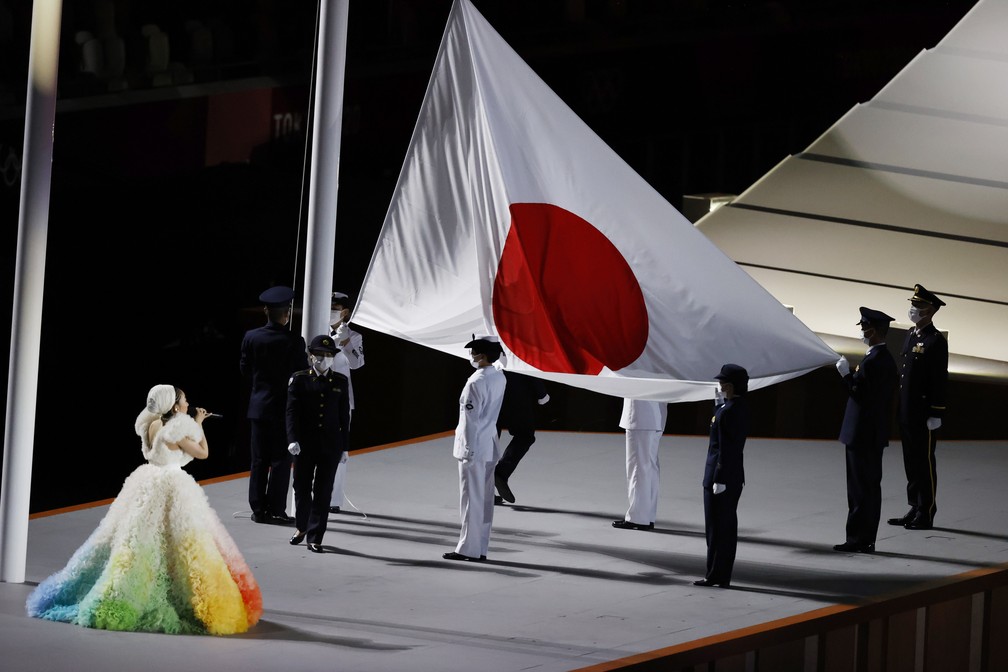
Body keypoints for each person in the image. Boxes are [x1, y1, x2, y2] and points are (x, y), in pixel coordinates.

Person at [26, 384, 262, 635]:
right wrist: (199, 423)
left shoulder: (152, 424)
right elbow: (203, 453)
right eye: (184, 401)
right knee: (179, 542)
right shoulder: (178, 428)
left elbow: (161, 452)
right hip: (171, 485)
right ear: (174, 406)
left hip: (147, 481)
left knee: (138, 538)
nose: (187, 404)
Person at [240, 285, 308, 525]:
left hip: (258, 407)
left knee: (258, 460)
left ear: (266, 311)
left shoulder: (251, 337)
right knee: (281, 460)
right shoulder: (294, 340)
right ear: (286, 313)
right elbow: (301, 374)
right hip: (283, 409)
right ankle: (277, 509)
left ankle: (258, 510)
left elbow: (245, 370)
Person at [834, 307, 898, 553]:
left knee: (861, 490)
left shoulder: (875, 361)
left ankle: (858, 539)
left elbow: (861, 394)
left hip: (863, 435)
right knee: (866, 488)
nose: (861, 331)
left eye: (863, 327)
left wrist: (845, 375)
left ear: (872, 330)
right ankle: (864, 537)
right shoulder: (880, 358)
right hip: (868, 434)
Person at [888, 284, 948, 531]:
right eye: (913, 305)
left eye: (918, 306)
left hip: (924, 412)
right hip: (907, 410)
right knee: (911, 460)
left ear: (930, 310)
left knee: (924, 462)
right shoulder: (912, 335)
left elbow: (939, 379)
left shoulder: (935, 341)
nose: (912, 309)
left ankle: (927, 511)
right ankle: (915, 505)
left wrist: (936, 411)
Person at [443, 335, 507, 562]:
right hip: (489, 443)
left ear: (481, 355)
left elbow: (470, 419)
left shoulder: (475, 382)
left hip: (474, 446)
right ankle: (480, 547)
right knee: (485, 498)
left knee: (471, 498)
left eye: (474, 352)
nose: (471, 355)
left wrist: (468, 449)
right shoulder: (499, 377)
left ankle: (467, 548)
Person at [286, 335, 351, 553]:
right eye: (320, 355)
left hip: (330, 445)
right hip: (304, 444)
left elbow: (344, 417)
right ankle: (302, 527)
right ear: (311, 356)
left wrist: (345, 447)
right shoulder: (299, 379)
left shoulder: (340, 382)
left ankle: (315, 536)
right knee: (301, 487)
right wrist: (292, 439)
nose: (324, 358)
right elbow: (291, 413)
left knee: (323, 492)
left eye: (329, 355)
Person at [695, 364, 750, 588]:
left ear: (730, 385)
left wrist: (719, 477)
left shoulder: (728, 412)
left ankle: (715, 574)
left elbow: (726, 448)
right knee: (725, 528)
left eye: (722, 383)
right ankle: (721, 573)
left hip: (721, 476)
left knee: (717, 530)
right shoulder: (736, 407)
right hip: (731, 476)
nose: (719, 386)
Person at [493, 355, 549, 505]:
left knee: (489, 442)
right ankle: (501, 472)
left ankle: (483, 490)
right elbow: (527, 363)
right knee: (525, 436)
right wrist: (541, 393)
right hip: (516, 395)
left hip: (491, 393)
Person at [328, 291, 364, 514]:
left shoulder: (354, 335)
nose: (332, 311)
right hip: (315, 396)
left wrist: (346, 342)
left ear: (345, 311)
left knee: (340, 450)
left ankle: (334, 499)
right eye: (330, 306)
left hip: (341, 400)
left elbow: (356, 364)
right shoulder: (316, 329)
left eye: (336, 307)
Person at [612, 398, 667, 531]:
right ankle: (647, 516)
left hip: (640, 415)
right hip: (656, 416)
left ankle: (638, 517)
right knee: (650, 468)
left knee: (638, 468)